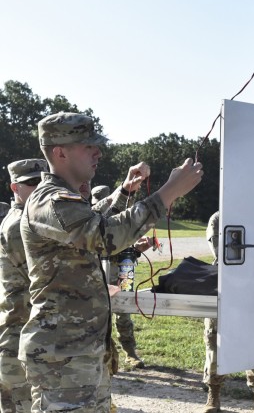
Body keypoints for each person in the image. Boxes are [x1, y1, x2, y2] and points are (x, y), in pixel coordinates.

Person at [19, 112, 203, 413]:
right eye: (87, 145)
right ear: (60, 152)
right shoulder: (49, 200)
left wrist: (127, 190)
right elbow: (105, 236)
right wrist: (168, 193)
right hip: (62, 356)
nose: (98, 152)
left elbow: (98, 219)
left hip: (82, 351)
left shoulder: (66, 198)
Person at [201, 211, 254, 413]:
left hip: (252, 286)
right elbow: (220, 254)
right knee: (215, 343)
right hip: (223, 286)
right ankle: (213, 396)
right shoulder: (217, 218)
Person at [0, 158, 48, 413]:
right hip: (18, 339)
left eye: (43, 181)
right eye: (31, 183)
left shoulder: (30, 218)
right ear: (15, 188)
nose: (39, 188)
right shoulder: (19, 225)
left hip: (25, 335)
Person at [91, 184, 147, 368]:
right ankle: (102, 354)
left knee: (124, 310)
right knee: (99, 314)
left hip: (124, 269)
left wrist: (136, 250)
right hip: (101, 271)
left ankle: (130, 353)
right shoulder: (92, 219)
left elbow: (125, 246)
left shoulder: (121, 219)